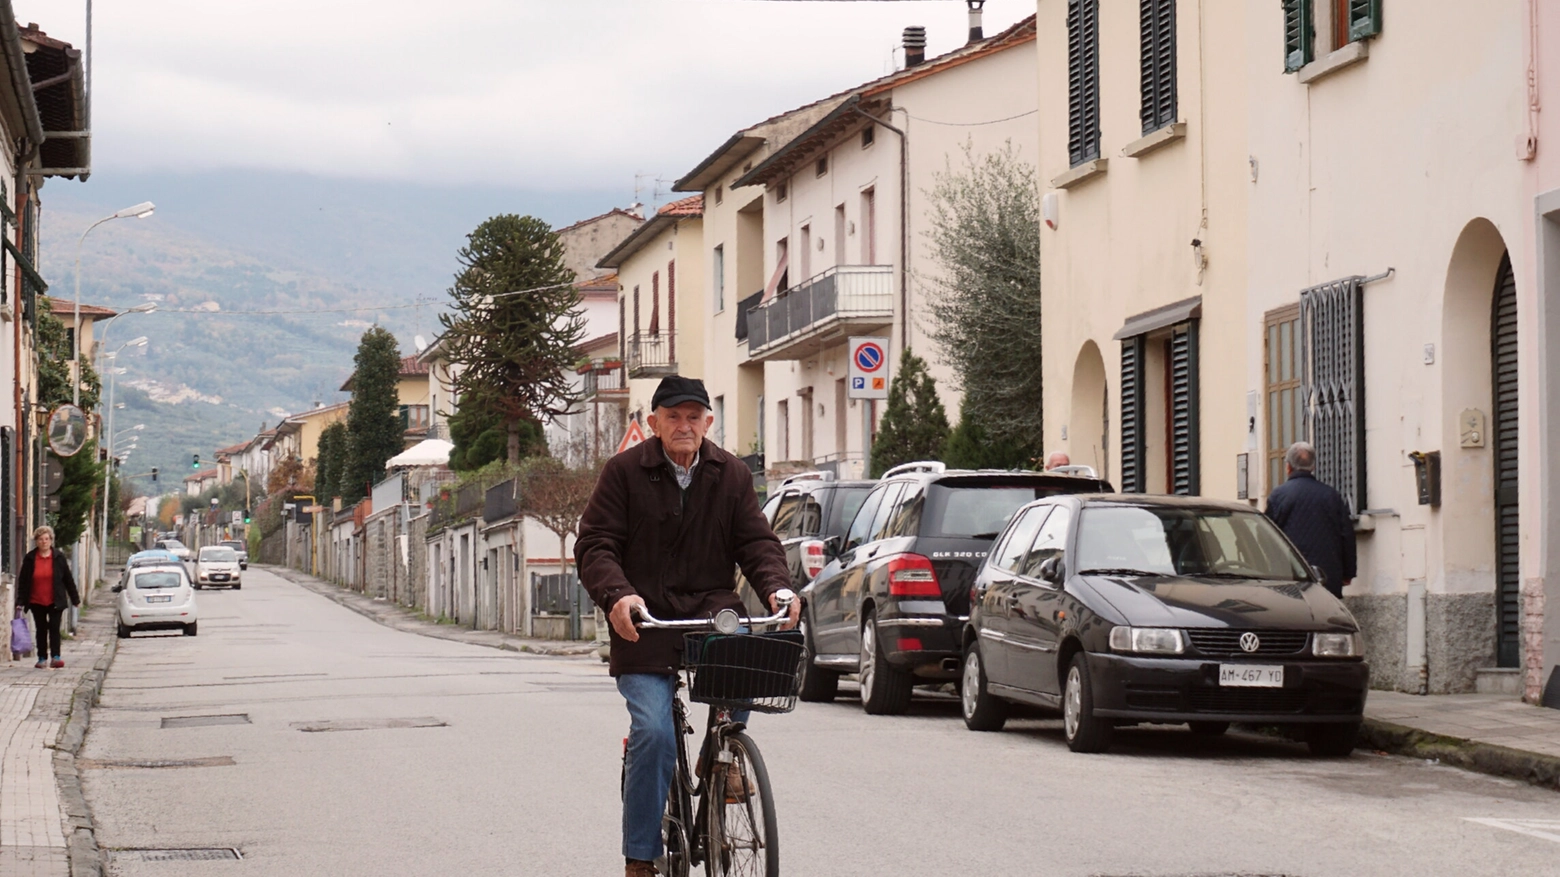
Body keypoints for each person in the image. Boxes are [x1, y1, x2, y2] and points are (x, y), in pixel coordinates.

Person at [576, 375, 797, 877]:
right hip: (644, 621)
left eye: (693, 417)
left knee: (750, 655)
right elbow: (595, 545)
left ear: (708, 423)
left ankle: (723, 743)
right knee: (653, 732)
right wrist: (618, 595)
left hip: (709, 613)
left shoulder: (732, 475)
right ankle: (640, 857)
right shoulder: (623, 472)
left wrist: (778, 589)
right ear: (653, 423)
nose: (684, 426)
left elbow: (757, 544)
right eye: (672, 416)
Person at [1265, 441, 1356, 597]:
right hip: (1327, 576)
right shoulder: (1331, 495)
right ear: (1313, 467)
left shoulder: (1278, 496)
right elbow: (1346, 535)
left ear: (1288, 467)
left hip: (1289, 575)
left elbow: (1267, 535)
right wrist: (1348, 572)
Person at [17, 526, 80, 669]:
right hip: (36, 600)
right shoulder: (30, 558)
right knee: (41, 629)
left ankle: (56, 657)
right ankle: (41, 658)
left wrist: (75, 599)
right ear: (36, 542)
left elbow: (68, 579)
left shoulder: (58, 557)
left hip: (55, 600)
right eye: (40, 539)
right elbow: (23, 581)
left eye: (46, 539)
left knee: (54, 628)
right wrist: (20, 601)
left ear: (51, 540)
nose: (44, 542)